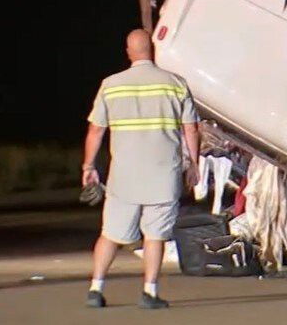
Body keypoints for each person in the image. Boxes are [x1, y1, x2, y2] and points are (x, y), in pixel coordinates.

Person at [82, 29, 200, 309]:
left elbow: (96, 130)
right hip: (163, 174)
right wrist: (194, 164)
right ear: (153, 49)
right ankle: (149, 292)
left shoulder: (111, 85)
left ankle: (95, 289)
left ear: (128, 51)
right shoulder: (175, 84)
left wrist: (89, 166)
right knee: (155, 235)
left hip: (124, 176)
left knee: (110, 233)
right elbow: (191, 129)